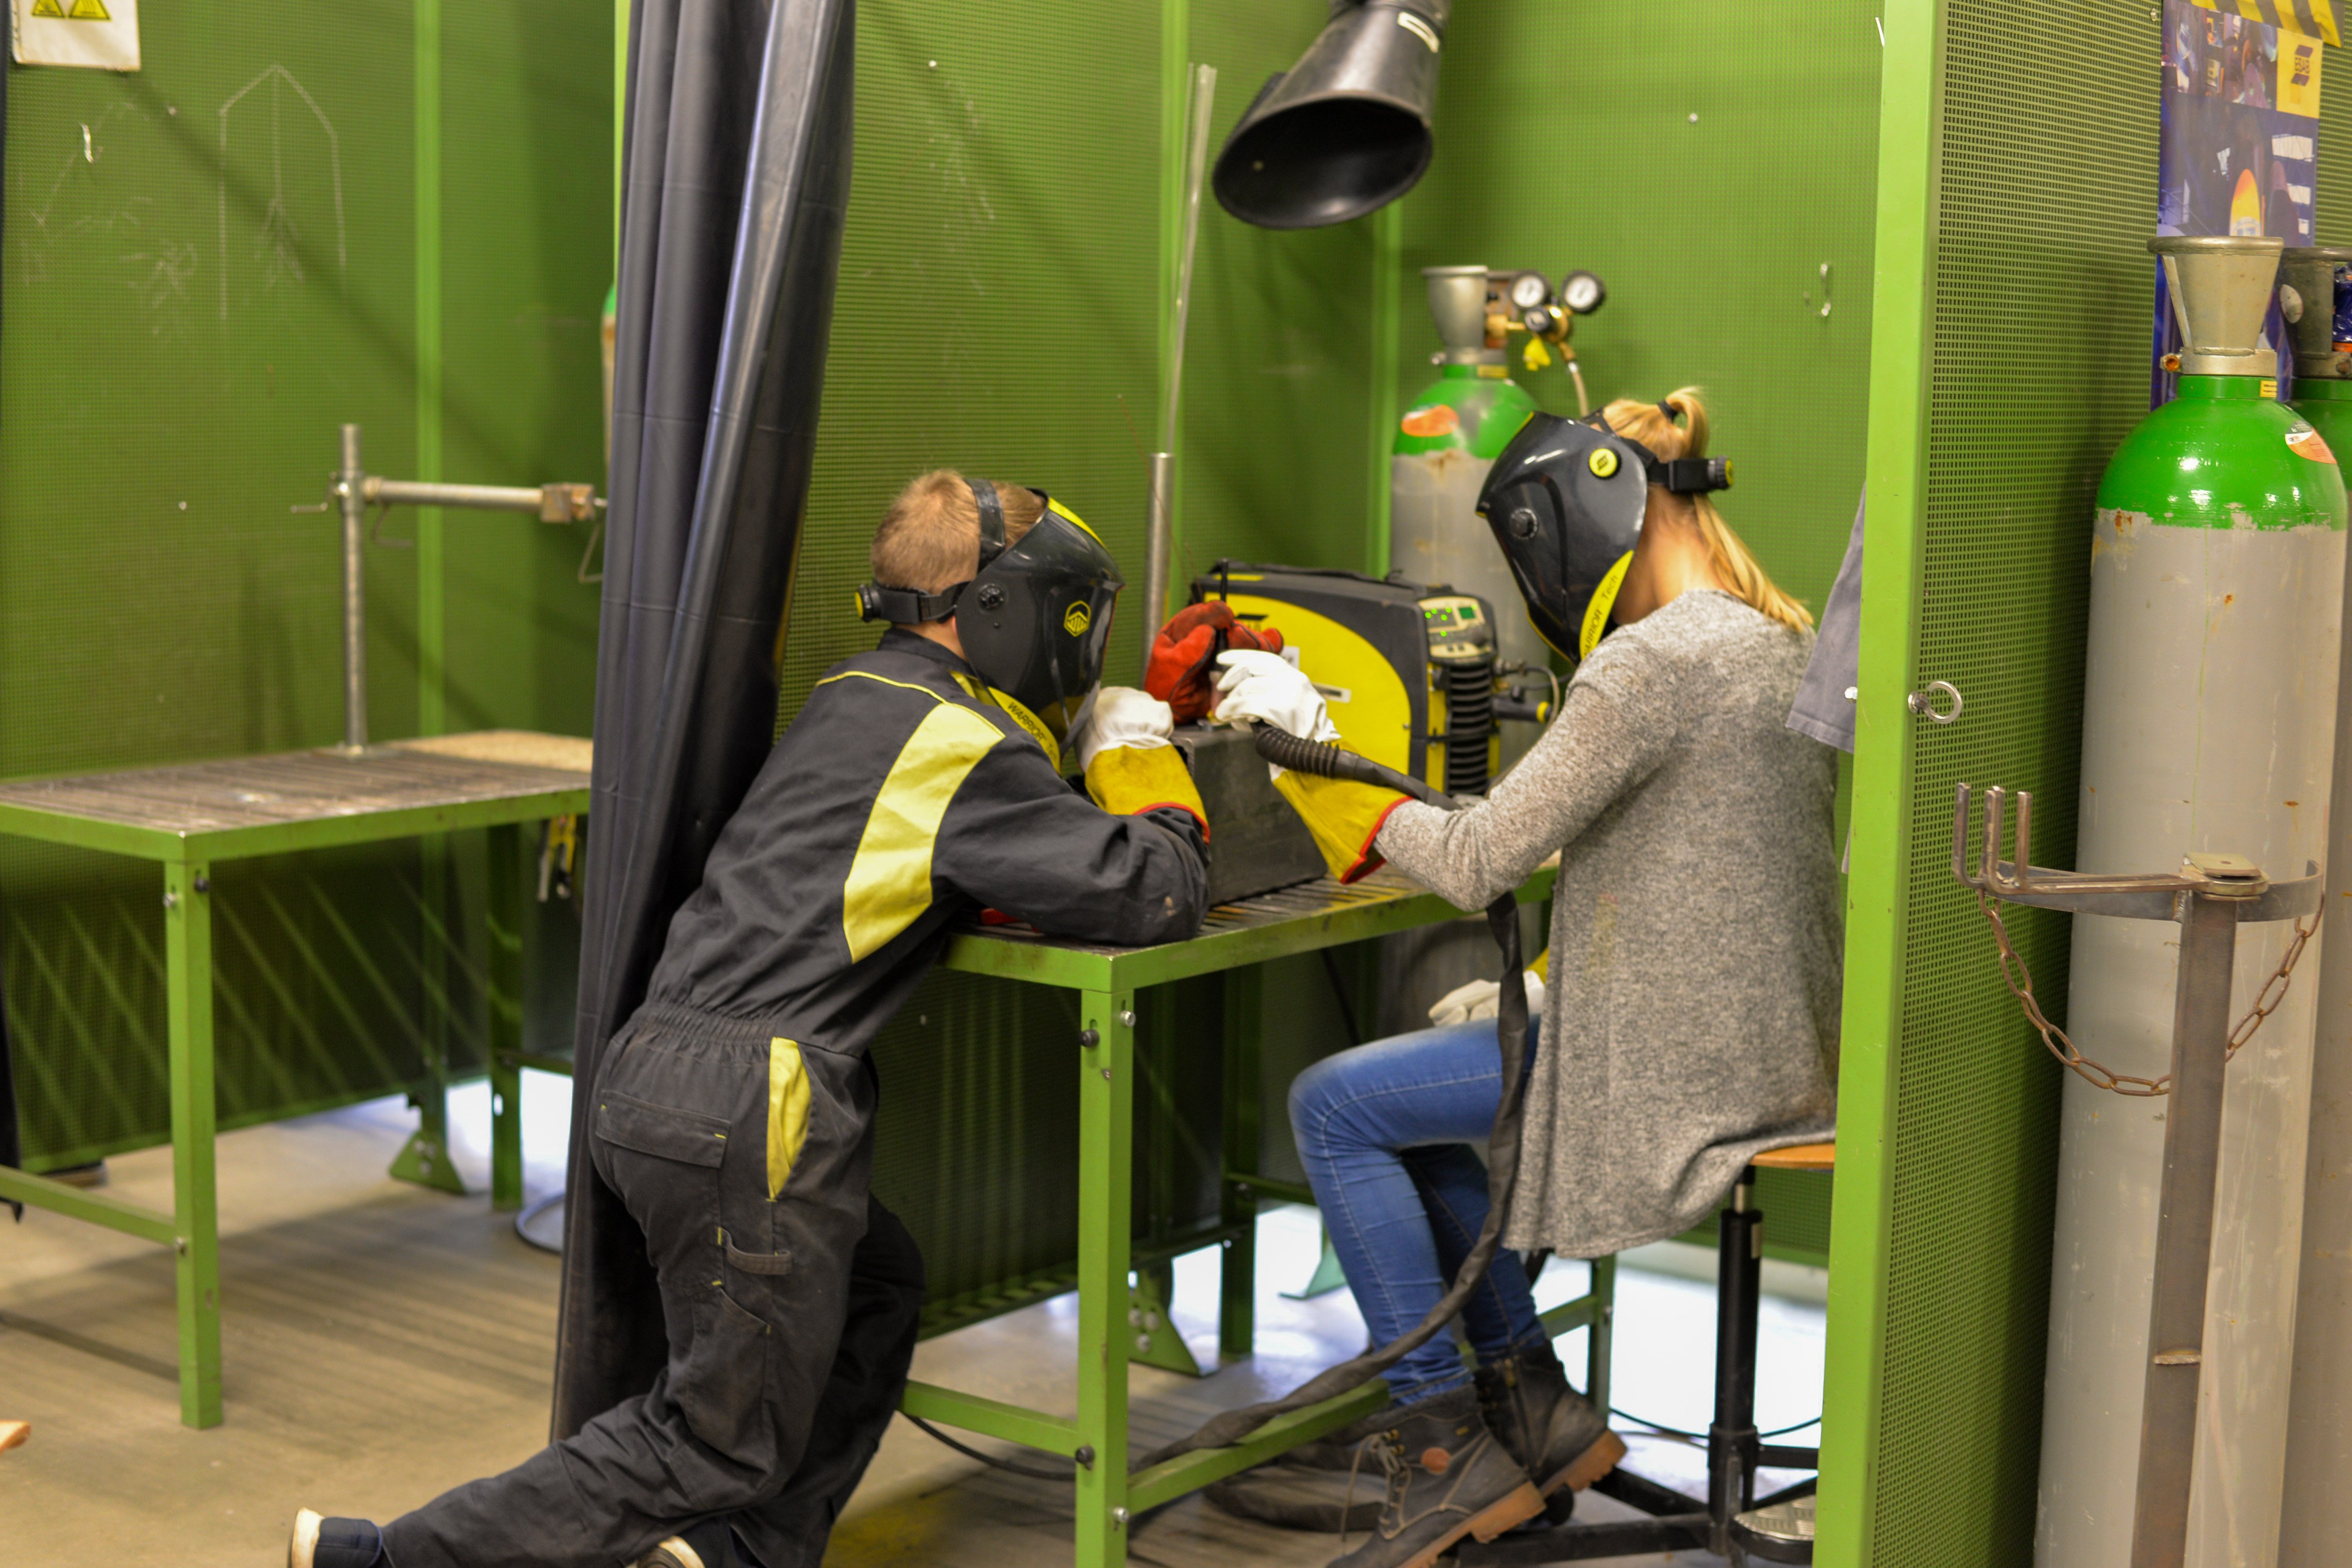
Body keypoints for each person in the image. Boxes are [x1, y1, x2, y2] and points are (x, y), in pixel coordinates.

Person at [289, 472, 1212, 1568]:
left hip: (661, 1073)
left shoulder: (857, 697)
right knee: (714, 1443)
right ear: (998, 608)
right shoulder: (961, 744)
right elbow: (1155, 892)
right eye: (1072, 618)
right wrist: (1138, 753)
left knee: (877, 1284)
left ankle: (740, 1557)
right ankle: (379, 1559)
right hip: (752, 1105)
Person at [1212, 390, 1842, 1568]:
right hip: (1773, 1049)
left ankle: (1443, 1446)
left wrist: (1310, 751)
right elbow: (1681, 860)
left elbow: (1473, 863)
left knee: (1335, 1107)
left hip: (1669, 1069)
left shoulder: (1651, 662)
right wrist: (1552, 976)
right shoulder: (1775, 637)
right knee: (1415, 1115)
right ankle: (1533, 1407)